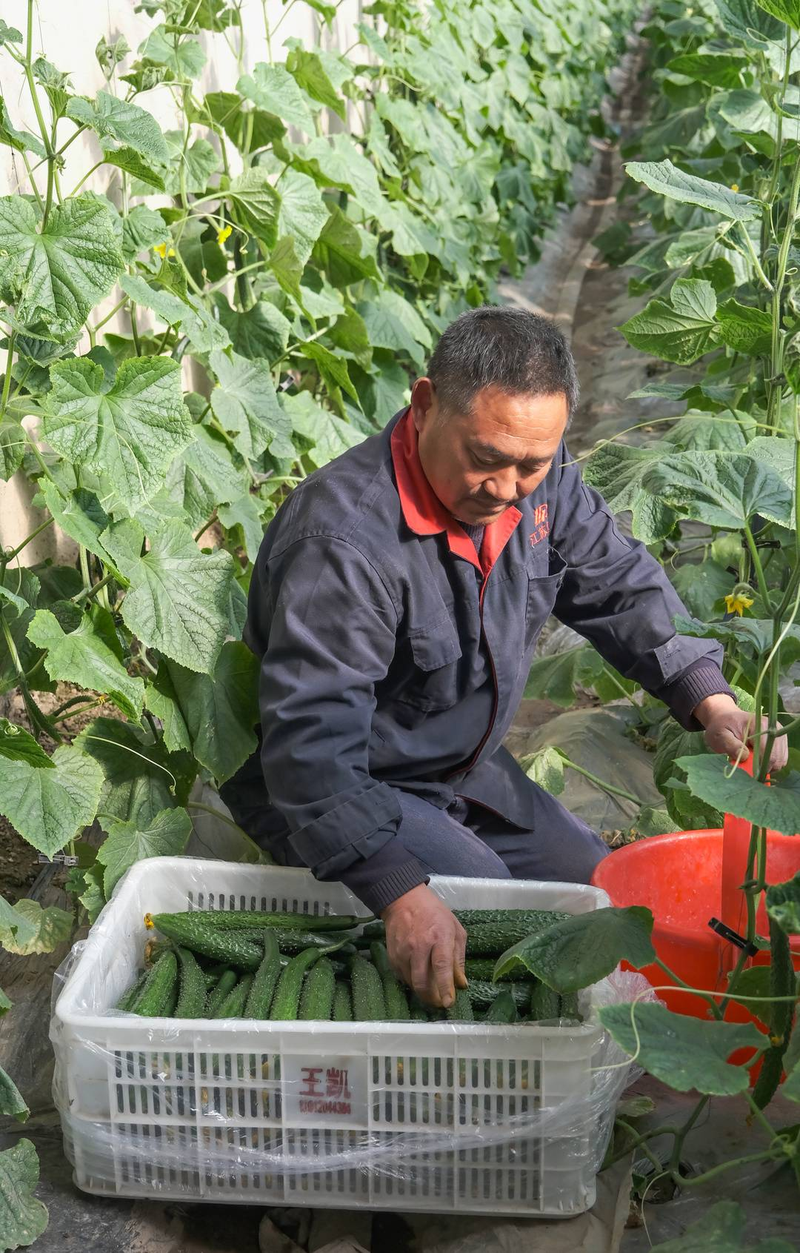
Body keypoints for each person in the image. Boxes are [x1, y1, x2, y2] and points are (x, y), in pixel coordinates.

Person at [220, 307, 786, 1008]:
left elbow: (617, 582)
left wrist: (711, 698)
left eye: (532, 464)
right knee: (500, 926)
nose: (507, 487)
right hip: (338, 783)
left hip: (456, 763)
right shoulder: (342, 545)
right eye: (485, 458)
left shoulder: (536, 479)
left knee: (592, 895)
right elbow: (310, 750)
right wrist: (398, 889)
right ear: (425, 404)